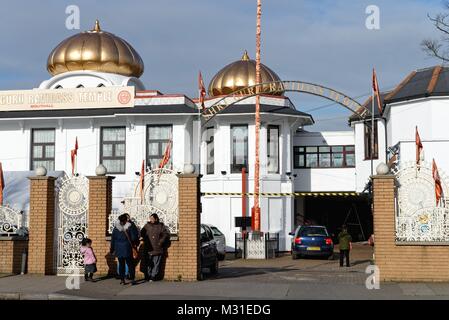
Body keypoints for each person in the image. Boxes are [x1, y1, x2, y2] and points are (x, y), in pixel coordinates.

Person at [140, 213, 170, 282]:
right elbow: (142, 233)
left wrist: (160, 242)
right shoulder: (147, 226)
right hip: (149, 248)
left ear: (156, 219)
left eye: (152, 218)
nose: (151, 220)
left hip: (157, 248)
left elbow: (165, 234)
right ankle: (148, 275)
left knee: (156, 263)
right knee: (149, 263)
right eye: (150, 218)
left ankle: (153, 276)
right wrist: (143, 238)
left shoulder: (161, 226)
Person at [111, 214, 138, 285]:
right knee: (130, 264)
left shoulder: (116, 227)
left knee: (121, 265)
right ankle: (132, 279)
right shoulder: (130, 226)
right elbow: (133, 238)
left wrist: (112, 249)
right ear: (126, 220)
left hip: (118, 249)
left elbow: (113, 239)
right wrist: (136, 244)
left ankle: (122, 280)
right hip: (127, 248)